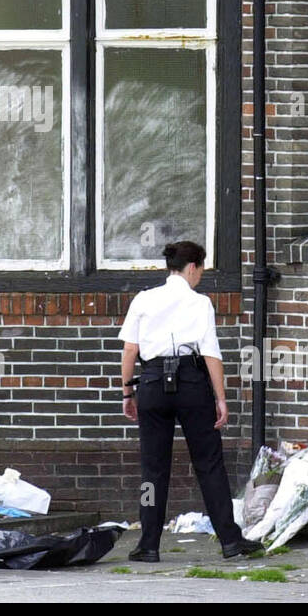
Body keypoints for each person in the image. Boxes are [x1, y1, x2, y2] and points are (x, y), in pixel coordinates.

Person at [119, 240, 258, 563]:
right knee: (209, 464)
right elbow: (211, 353)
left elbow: (129, 351)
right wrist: (221, 399)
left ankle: (148, 544)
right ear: (192, 267)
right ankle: (230, 541)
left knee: (152, 469)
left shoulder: (143, 299)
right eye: (201, 269)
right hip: (193, 385)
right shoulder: (200, 304)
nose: (201, 276)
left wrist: (128, 393)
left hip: (152, 383)